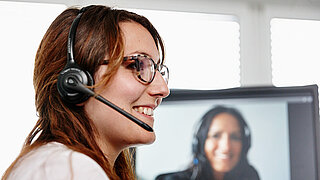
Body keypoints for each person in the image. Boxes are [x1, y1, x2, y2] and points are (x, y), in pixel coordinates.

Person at [2, 5, 169, 180]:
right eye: (137, 65)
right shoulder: (69, 168)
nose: (163, 89)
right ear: (76, 81)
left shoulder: (59, 164)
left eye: (157, 69)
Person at [156, 106, 259, 180]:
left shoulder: (250, 175)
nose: (226, 147)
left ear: (245, 145)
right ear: (200, 143)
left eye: (235, 137)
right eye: (216, 136)